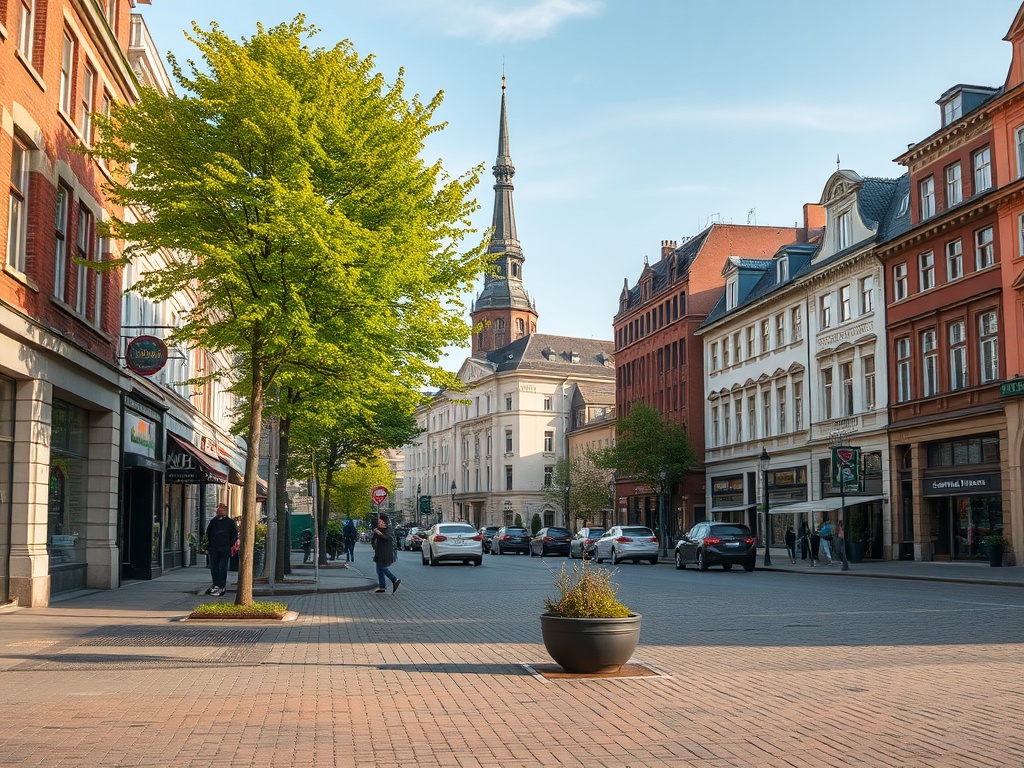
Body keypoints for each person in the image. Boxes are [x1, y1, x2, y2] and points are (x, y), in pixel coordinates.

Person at [205, 503, 238, 596]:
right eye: (219, 510)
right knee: (214, 567)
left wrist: (230, 544)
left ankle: (221, 584)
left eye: (222, 510)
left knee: (222, 567)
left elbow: (234, 534)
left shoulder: (230, 522)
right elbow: (209, 533)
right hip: (215, 548)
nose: (220, 512)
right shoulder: (213, 522)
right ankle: (216, 584)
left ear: (226, 511)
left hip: (224, 548)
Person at [371, 513, 400, 594]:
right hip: (379, 551)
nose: (379, 522)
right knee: (379, 569)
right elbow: (374, 538)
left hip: (385, 551)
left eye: (380, 521)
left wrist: (381, 535)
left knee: (382, 567)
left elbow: (389, 538)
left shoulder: (388, 529)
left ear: (384, 521)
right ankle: (382, 586)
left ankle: (394, 580)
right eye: (378, 521)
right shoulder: (379, 528)